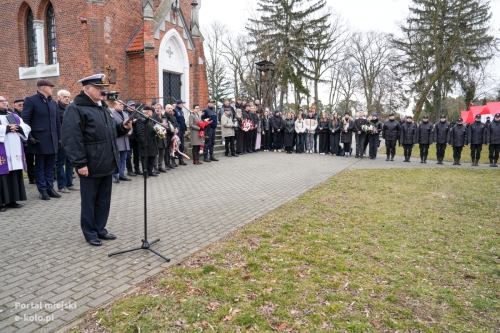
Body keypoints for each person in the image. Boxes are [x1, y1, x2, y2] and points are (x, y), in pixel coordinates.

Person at [62, 74, 132, 246]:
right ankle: (90, 232)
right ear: (87, 89)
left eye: (103, 88)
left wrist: (122, 128)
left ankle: (100, 228)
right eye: (99, 88)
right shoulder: (76, 108)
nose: (103, 91)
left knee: (103, 199)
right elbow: (71, 138)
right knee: (89, 200)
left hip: (106, 162)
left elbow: (108, 132)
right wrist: (80, 163)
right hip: (90, 164)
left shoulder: (101, 107)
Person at [22, 79, 61, 200]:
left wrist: (59, 138)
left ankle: (50, 188)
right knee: (39, 166)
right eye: (50, 87)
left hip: (52, 139)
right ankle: (42, 190)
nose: (52, 89)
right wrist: (29, 137)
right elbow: (25, 120)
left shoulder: (53, 103)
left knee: (50, 166)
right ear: (44, 88)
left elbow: (57, 122)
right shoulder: (31, 100)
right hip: (38, 140)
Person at [0, 97, 31, 212]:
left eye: (5, 101)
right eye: (1, 101)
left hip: (14, 151)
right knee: (2, 177)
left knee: (13, 175)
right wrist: (6, 128)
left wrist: (18, 127)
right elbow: (5, 128)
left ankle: (12, 200)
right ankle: (1, 203)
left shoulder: (12, 115)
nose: (4, 102)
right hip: (2, 152)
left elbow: (26, 126)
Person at [56, 89, 79, 192]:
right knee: (60, 163)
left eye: (68, 97)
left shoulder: (71, 108)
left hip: (71, 140)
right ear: (59, 98)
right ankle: (61, 186)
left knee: (70, 163)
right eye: (65, 96)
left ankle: (69, 183)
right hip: (61, 141)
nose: (67, 98)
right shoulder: (56, 109)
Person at [111, 100, 133, 183]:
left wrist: (130, 131)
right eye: (120, 104)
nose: (122, 106)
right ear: (115, 105)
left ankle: (122, 175)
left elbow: (130, 125)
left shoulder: (125, 114)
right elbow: (113, 126)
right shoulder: (112, 114)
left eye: (122, 104)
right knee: (116, 159)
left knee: (124, 158)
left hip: (125, 140)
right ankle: (115, 176)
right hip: (118, 140)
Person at [137, 106, 159, 176]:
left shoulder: (150, 119)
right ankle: (145, 172)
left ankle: (150, 171)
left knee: (152, 157)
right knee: (145, 159)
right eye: (151, 111)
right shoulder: (141, 119)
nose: (152, 112)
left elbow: (152, 129)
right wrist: (144, 143)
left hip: (152, 142)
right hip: (145, 142)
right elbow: (140, 132)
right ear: (148, 112)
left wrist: (156, 132)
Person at [125, 101, 140, 176]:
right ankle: (129, 170)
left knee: (137, 154)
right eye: (131, 106)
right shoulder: (125, 114)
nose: (132, 107)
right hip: (129, 137)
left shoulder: (137, 114)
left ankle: (137, 169)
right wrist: (131, 121)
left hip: (136, 137)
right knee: (129, 155)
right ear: (127, 106)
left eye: (133, 106)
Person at [152, 104, 167, 173]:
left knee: (162, 152)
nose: (157, 109)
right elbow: (154, 126)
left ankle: (160, 166)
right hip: (156, 137)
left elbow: (167, 126)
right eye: (156, 108)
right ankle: (155, 167)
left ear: (162, 109)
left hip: (163, 136)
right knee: (156, 153)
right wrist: (162, 125)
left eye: (159, 108)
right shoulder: (153, 117)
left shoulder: (164, 117)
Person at [163, 104, 179, 168]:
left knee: (172, 149)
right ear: (165, 109)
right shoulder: (164, 117)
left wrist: (177, 129)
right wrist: (170, 130)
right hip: (167, 135)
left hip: (173, 135)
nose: (170, 110)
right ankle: (167, 164)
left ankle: (171, 162)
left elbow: (177, 125)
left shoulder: (173, 117)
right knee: (166, 150)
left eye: (171, 108)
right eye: (168, 108)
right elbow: (164, 126)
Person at [173, 100, 187, 166]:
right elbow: (174, 121)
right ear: (178, 104)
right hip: (178, 130)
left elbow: (183, 121)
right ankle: (174, 159)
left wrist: (185, 129)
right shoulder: (175, 110)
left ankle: (181, 160)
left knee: (182, 145)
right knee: (177, 145)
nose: (183, 105)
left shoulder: (181, 111)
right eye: (182, 104)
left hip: (182, 130)